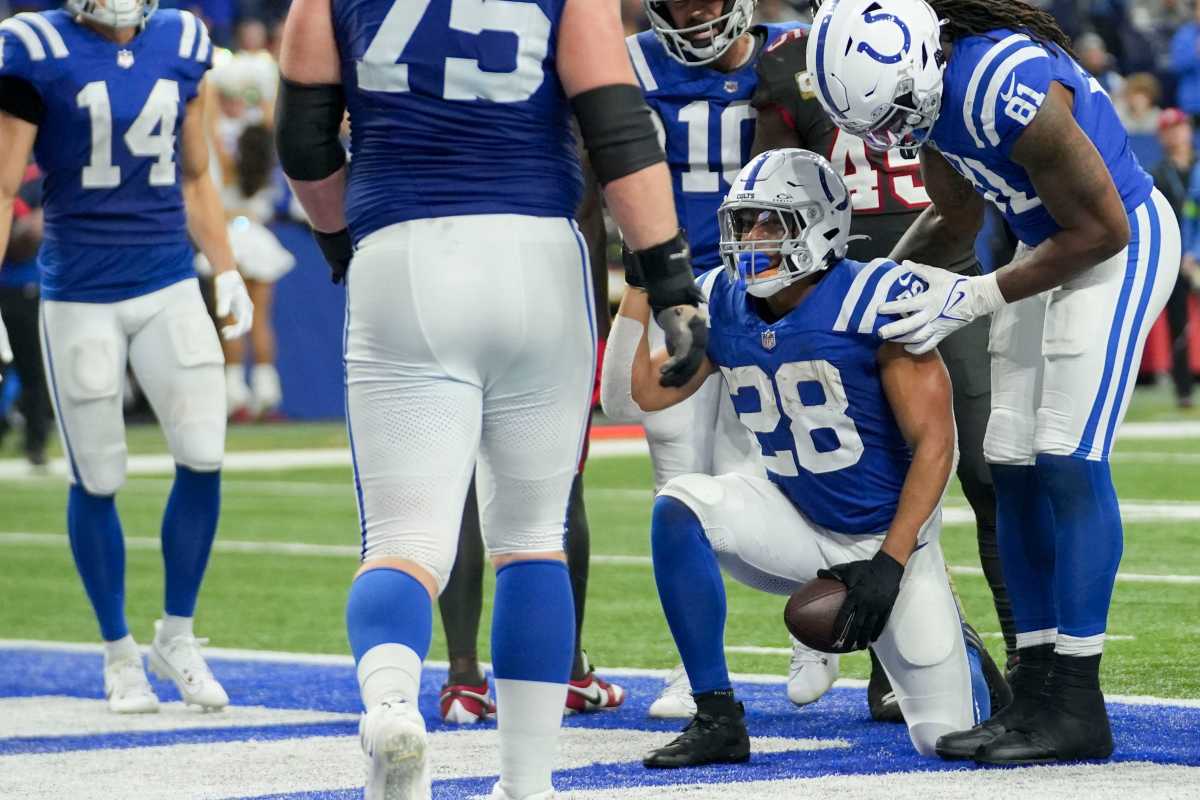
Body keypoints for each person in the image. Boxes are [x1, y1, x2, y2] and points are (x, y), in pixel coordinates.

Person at [274, 0, 708, 797]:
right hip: (537, 254)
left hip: (405, 254)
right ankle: (527, 778)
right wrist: (670, 278)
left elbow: (303, 142)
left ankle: (395, 708)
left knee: (406, 541)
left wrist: (342, 241)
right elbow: (616, 128)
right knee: (533, 537)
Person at [808, 0, 1181, 764]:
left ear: (923, 59)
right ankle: (1035, 681)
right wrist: (879, 283)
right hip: (1048, 248)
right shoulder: (925, 94)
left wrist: (979, 294)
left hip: (1120, 244)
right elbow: (954, 213)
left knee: (1066, 459)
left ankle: (1077, 699)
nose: (892, 136)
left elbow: (1103, 229)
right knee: (1008, 465)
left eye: (895, 115)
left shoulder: (1003, 84)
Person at [616, 148, 995, 766]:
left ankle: (968, 655)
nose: (751, 239)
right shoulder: (723, 298)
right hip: (793, 520)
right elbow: (648, 393)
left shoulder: (873, 297)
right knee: (680, 505)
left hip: (888, 539)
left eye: (771, 222)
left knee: (945, 740)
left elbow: (936, 444)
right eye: (744, 223)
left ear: (820, 224)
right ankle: (716, 714)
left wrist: (891, 563)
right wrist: (642, 289)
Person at [745, 16, 1013, 721]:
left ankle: (1031, 663)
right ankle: (892, 660)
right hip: (839, 278)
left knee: (991, 473)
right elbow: (777, 187)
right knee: (861, 483)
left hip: (941, 264)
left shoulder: (929, 34)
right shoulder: (788, 62)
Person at [0, 1, 253, 712]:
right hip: (80, 289)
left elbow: (198, 174)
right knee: (99, 472)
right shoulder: (33, 45)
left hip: (168, 277)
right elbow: (1, 182)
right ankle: (117, 655)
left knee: (204, 453)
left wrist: (225, 267)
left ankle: (177, 635)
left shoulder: (182, 37)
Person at [603, 0, 842, 722]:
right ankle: (694, 670)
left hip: (764, 287)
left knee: (776, 463)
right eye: (678, 2)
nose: (696, 13)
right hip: (673, 288)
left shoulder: (794, 55)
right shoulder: (631, 60)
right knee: (677, 477)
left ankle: (820, 615)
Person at [0, 163, 51, 467]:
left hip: (24, 283)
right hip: (12, 281)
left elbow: (36, 229)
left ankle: (35, 440)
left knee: (31, 366)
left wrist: (20, 228)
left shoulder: (34, 175)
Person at [1150, 108, 1197, 409]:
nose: (1175, 134)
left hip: (1195, 251)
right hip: (1176, 256)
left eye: (1179, 128)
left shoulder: (1198, 167)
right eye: (1168, 129)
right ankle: (1184, 390)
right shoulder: (1157, 175)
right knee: (1178, 322)